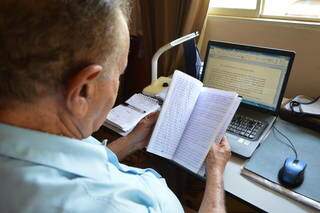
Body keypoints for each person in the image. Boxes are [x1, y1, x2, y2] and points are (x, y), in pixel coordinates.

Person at [0, 0, 231, 212]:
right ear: (83, 90)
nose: (119, 82)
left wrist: (134, 140)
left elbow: (69, 162)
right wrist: (216, 172)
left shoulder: (36, 136)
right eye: (120, 73)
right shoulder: (113, 205)